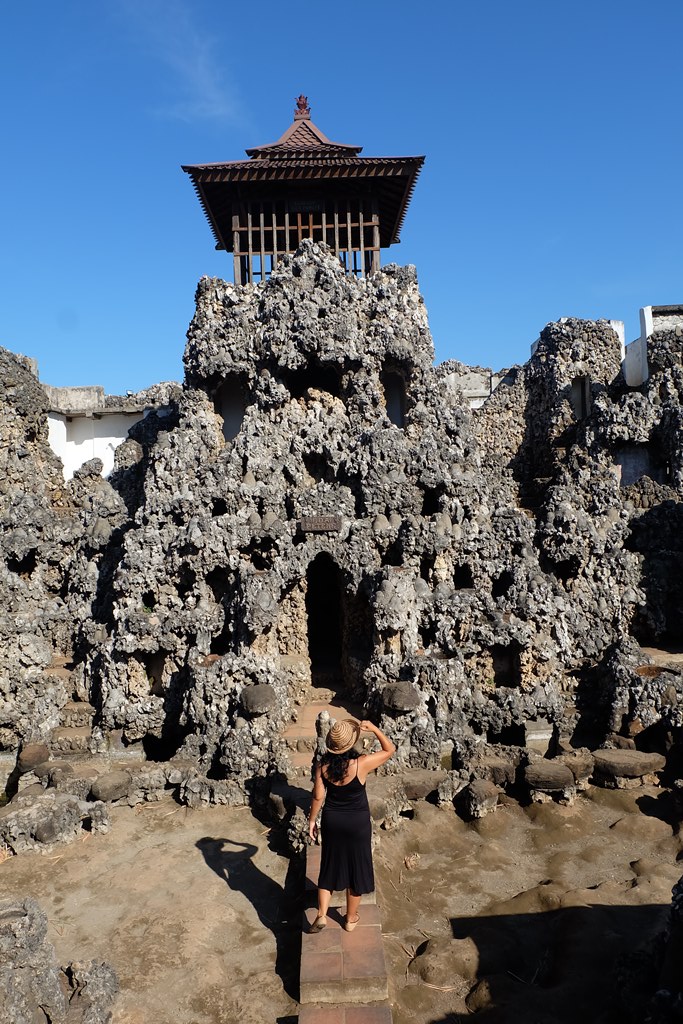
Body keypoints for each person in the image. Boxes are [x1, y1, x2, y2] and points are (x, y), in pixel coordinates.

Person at [307, 717, 395, 932]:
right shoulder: (361, 763)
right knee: (357, 868)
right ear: (352, 742)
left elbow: (318, 796)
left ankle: (321, 914)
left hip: (332, 820)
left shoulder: (322, 766)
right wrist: (374, 728)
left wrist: (312, 820)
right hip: (357, 823)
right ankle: (350, 918)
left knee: (329, 865)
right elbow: (389, 750)